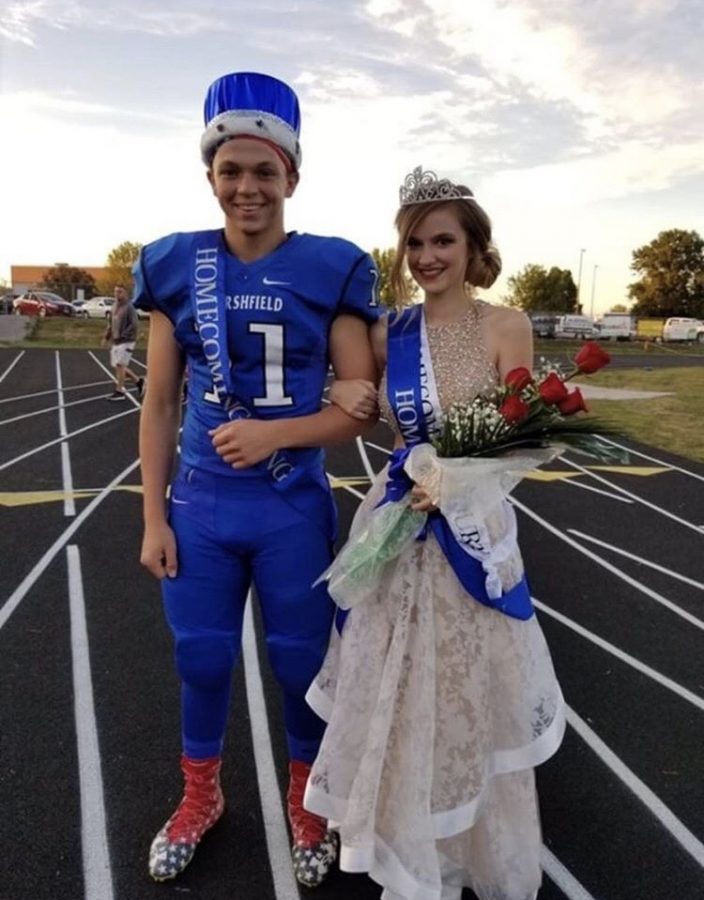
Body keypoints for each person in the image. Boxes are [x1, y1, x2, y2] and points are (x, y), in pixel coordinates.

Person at [134, 71, 379, 887]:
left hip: (288, 501)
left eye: (264, 172)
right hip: (200, 503)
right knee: (201, 659)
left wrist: (276, 431)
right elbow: (161, 400)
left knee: (301, 662)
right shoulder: (174, 265)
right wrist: (153, 518)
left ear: (292, 178)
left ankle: (307, 800)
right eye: (231, 171)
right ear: (210, 176)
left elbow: (359, 408)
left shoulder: (334, 267)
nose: (247, 187)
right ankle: (200, 796)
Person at [304, 166, 565, 900]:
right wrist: (339, 388)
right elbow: (350, 391)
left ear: (473, 245)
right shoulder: (389, 331)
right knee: (393, 688)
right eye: (415, 242)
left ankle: (462, 845)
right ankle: (398, 840)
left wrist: (455, 484)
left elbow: (525, 439)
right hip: (397, 526)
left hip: (469, 531)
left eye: (443, 240)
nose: (427, 257)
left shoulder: (507, 324)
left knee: (461, 694)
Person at [103, 284, 145, 400]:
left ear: (125, 293)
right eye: (116, 292)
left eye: (120, 292)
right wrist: (107, 337)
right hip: (116, 341)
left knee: (120, 365)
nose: (117, 294)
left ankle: (119, 391)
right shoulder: (114, 306)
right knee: (118, 367)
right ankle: (139, 381)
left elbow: (134, 325)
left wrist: (123, 335)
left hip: (127, 341)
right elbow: (110, 323)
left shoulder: (129, 307)